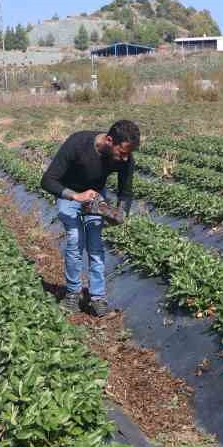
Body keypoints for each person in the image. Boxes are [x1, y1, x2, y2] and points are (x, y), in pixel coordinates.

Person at [41, 119, 140, 317]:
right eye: (122, 152)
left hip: (95, 195)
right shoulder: (78, 143)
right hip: (69, 193)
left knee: (95, 244)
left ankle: (97, 296)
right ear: (109, 140)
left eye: (129, 153)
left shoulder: (125, 159)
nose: (124, 158)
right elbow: (47, 181)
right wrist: (76, 196)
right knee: (76, 240)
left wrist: (120, 213)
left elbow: (125, 193)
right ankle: (73, 293)